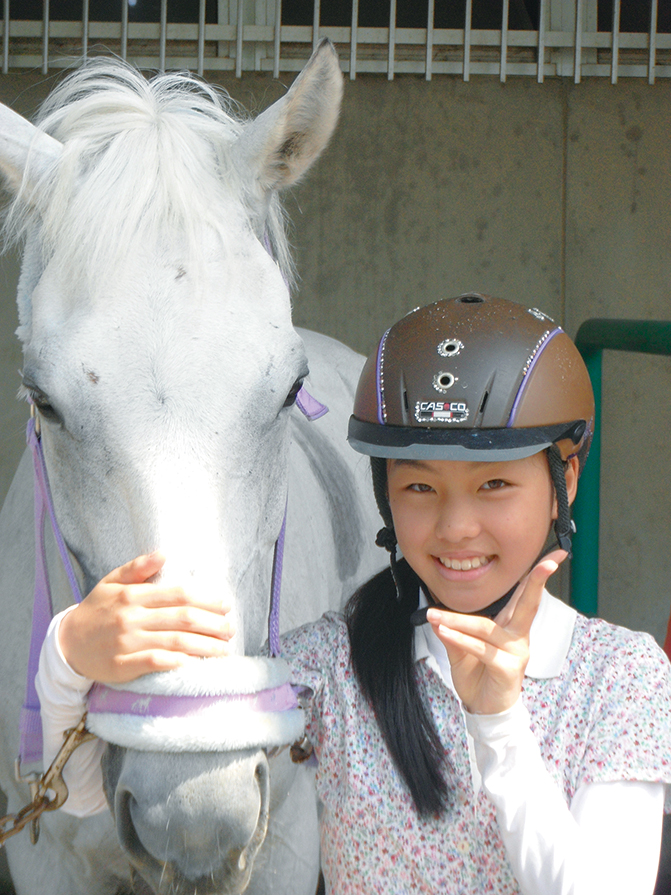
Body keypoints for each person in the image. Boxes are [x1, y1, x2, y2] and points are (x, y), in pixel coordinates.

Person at [37, 293, 671, 893]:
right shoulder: (334, 668)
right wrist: (67, 657)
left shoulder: (621, 679)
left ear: (567, 476)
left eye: (494, 485)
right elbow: (90, 792)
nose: (455, 528)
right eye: (419, 488)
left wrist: (500, 726)